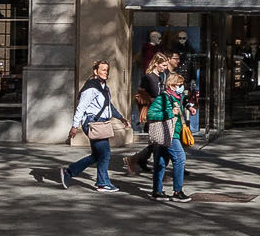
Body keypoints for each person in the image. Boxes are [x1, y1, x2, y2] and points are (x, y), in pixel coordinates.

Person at [60, 59, 123, 193]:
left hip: (101, 123)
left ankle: (69, 171)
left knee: (97, 155)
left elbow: (108, 106)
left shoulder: (104, 87)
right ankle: (102, 183)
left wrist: (121, 118)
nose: (106, 72)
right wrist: (74, 126)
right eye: (103, 70)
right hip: (93, 123)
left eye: (107, 70)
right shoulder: (91, 87)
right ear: (95, 71)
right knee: (105, 154)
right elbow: (81, 107)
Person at [147, 70, 190, 203]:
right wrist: (170, 112)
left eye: (182, 85)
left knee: (161, 161)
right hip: (167, 134)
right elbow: (150, 114)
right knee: (180, 158)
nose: (181, 88)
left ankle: (157, 191)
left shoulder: (177, 98)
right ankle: (177, 191)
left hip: (172, 133)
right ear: (171, 85)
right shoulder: (163, 98)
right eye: (179, 85)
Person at [126, 47, 169, 177]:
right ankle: (157, 172)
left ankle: (137, 160)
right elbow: (140, 95)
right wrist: (153, 100)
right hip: (152, 114)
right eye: (163, 65)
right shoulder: (148, 77)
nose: (165, 68)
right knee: (158, 143)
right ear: (156, 63)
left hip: (159, 113)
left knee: (156, 143)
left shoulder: (160, 78)